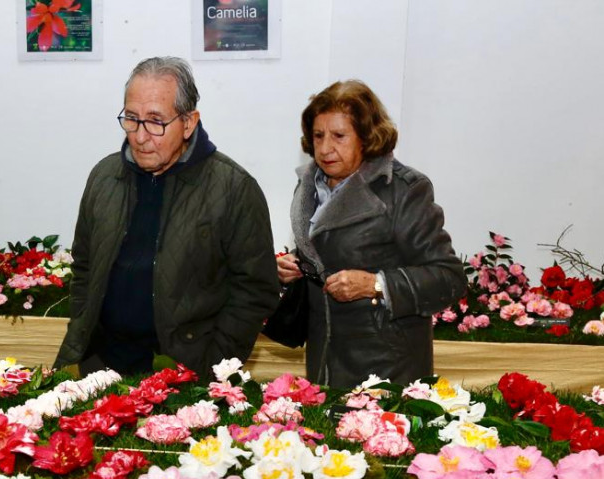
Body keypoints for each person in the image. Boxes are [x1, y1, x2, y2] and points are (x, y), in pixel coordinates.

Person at [54, 56, 281, 381]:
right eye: (131, 119)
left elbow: (255, 290)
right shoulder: (104, 177)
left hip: (188, 378)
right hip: (102, 368)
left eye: (156, 121)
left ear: (188, 123)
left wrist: (214, 366)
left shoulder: (233, 188)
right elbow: (84, 268)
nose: (141, 136)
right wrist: (84, 335)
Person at [277, 79, 466, 389]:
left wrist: (376, 284)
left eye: (339, 136)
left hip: (388, 368)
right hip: (324, 361)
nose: (325, 148)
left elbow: (448, 278)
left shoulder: (405, 190)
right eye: (318, 135)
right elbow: (335, 247)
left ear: (366, 137)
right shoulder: (311, 185)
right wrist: (294, 265)